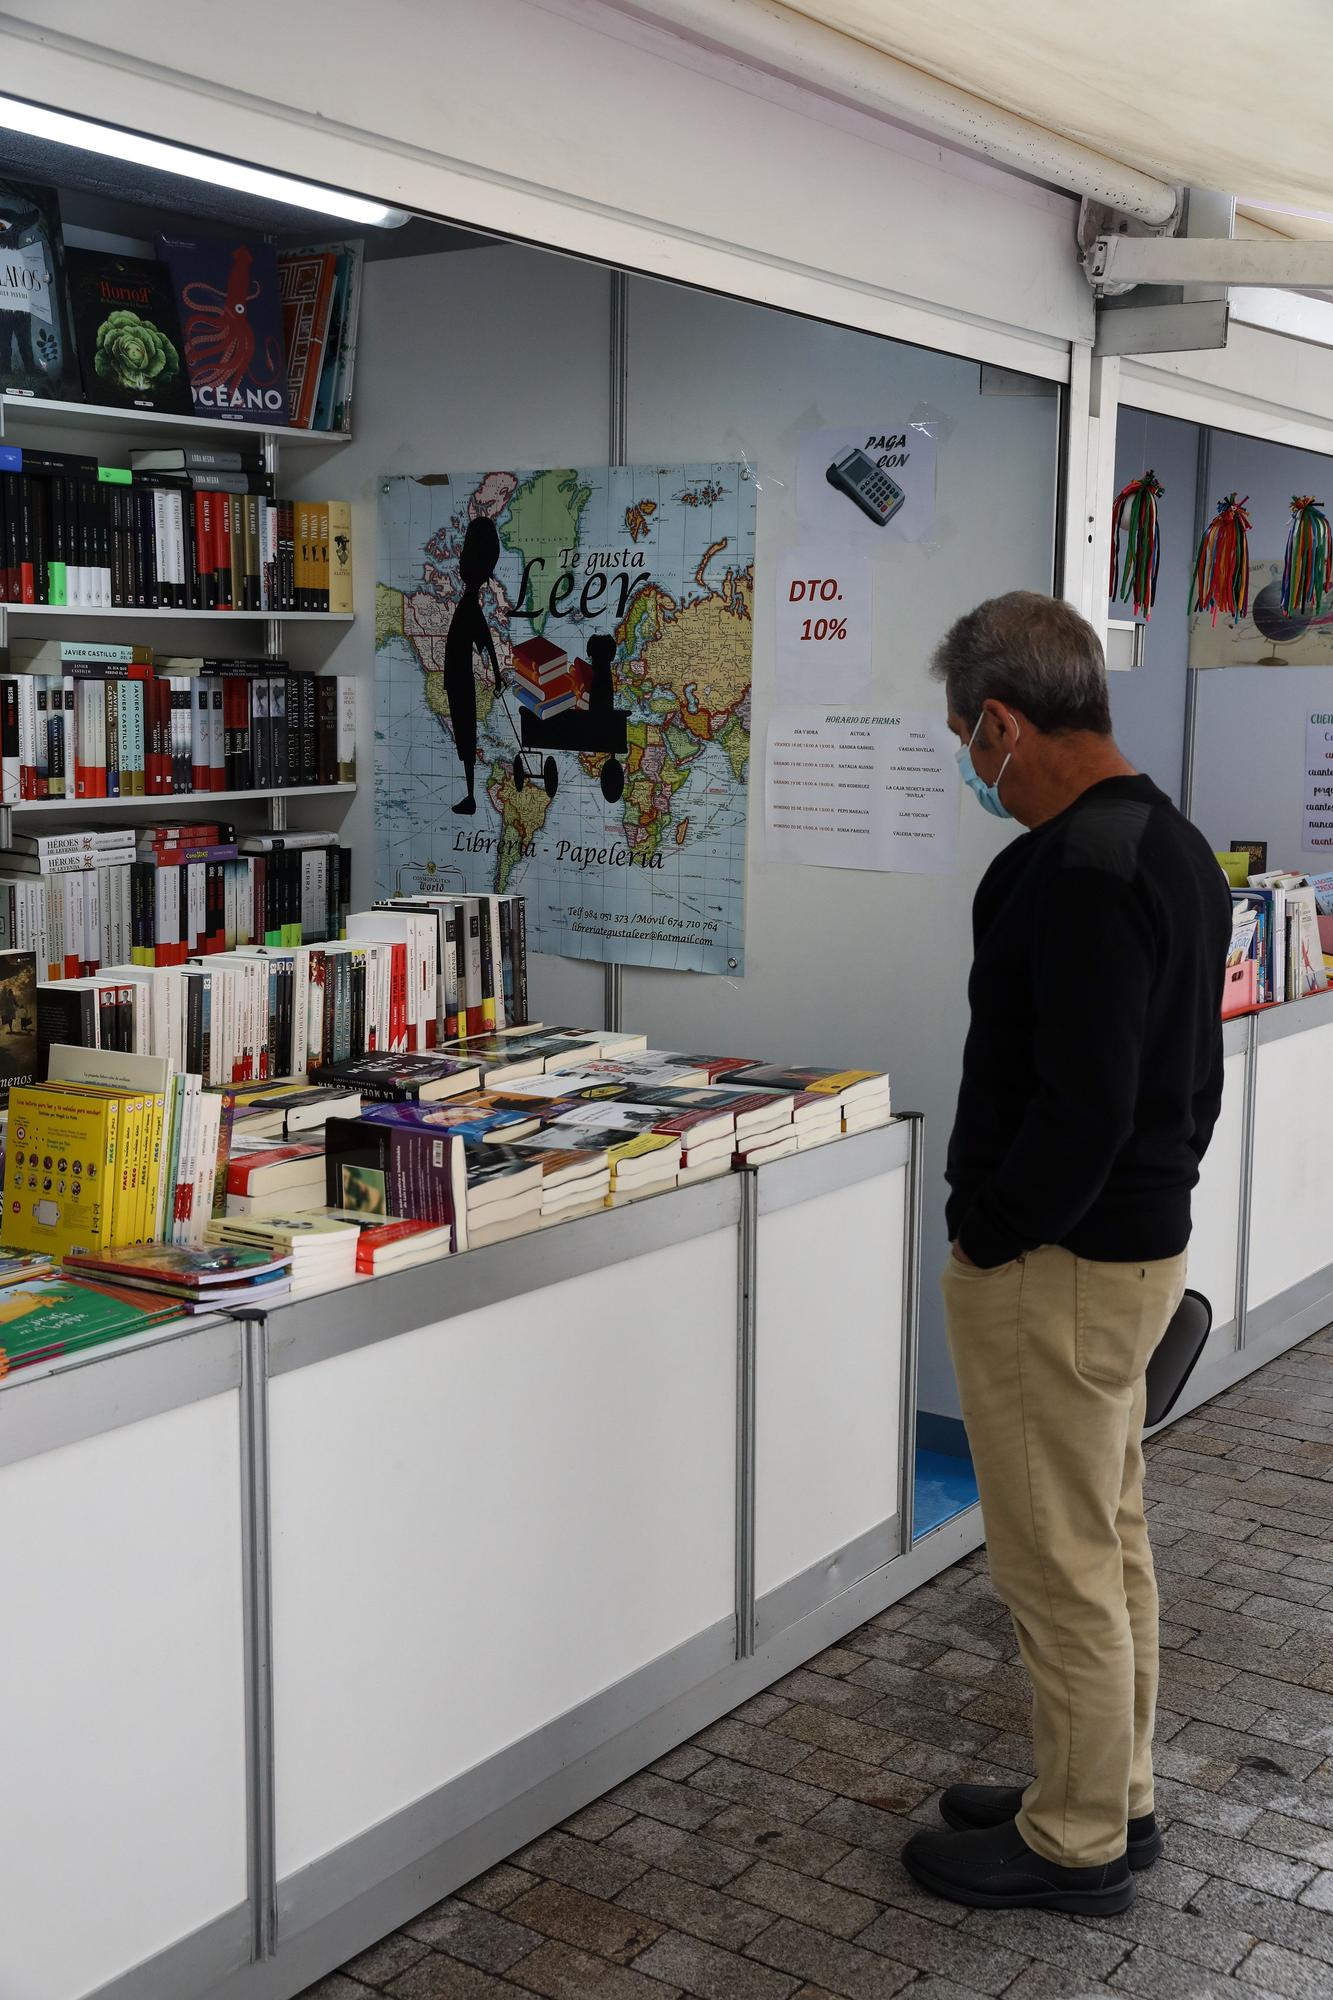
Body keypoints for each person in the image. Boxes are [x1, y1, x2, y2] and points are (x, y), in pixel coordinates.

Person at [902, 591, 1232, 1918]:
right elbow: (1169, 1088)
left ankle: (1076, 1839)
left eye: (962, 742)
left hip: (1059, 1265)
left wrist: (988, 1231)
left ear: (1001, 722)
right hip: (1130, 1255)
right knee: (1107, 1537)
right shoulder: (1171, 841)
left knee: (1056, 1563)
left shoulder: (1073, 871)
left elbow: (1081, 1106)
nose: (971, 770)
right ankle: (1113, 1790)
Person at [444, 516, 504, 814]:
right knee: (463, 734)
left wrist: (496, 675)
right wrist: (495, 673)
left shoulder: (469, 606)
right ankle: (469, 795)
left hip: (460, 682)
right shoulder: (469, 605)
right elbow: (485, 642)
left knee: (466, 735)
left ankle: (470, 797)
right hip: (458, 681)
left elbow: (485, 642)